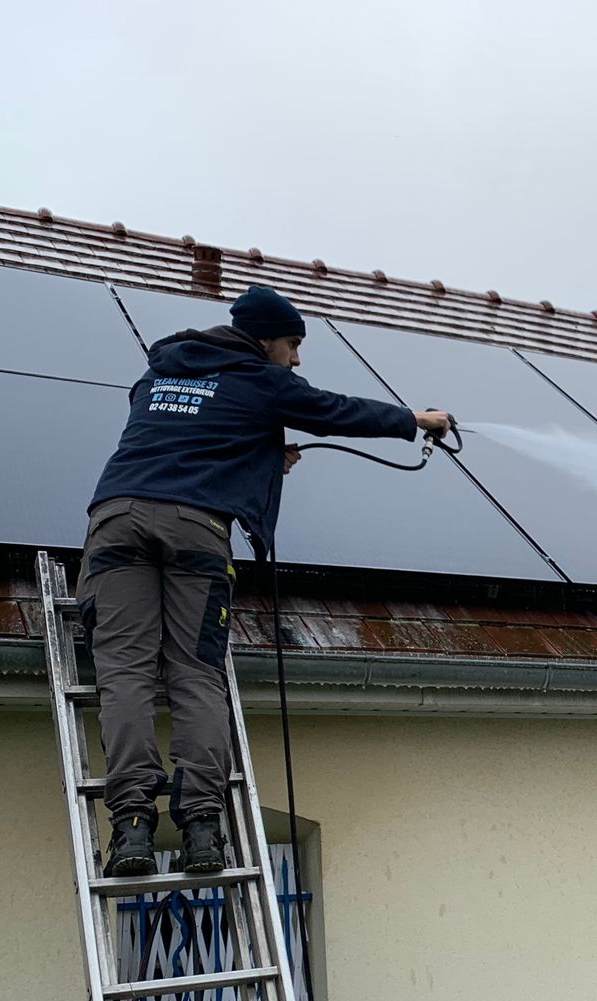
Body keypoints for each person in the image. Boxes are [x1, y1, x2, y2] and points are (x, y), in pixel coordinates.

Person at [82, 284, 451, 877]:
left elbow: (187, 435)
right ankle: (202, 830)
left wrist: (257, 453)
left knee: (124, 674)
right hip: (194, 533)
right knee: (195, 674)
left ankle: (129, 829)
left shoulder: (154, 379)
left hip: (114, 524)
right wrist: (414, 419)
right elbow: (336, 411)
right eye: (292, 344)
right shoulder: (262, 381)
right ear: (263, 340)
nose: (296, 359)